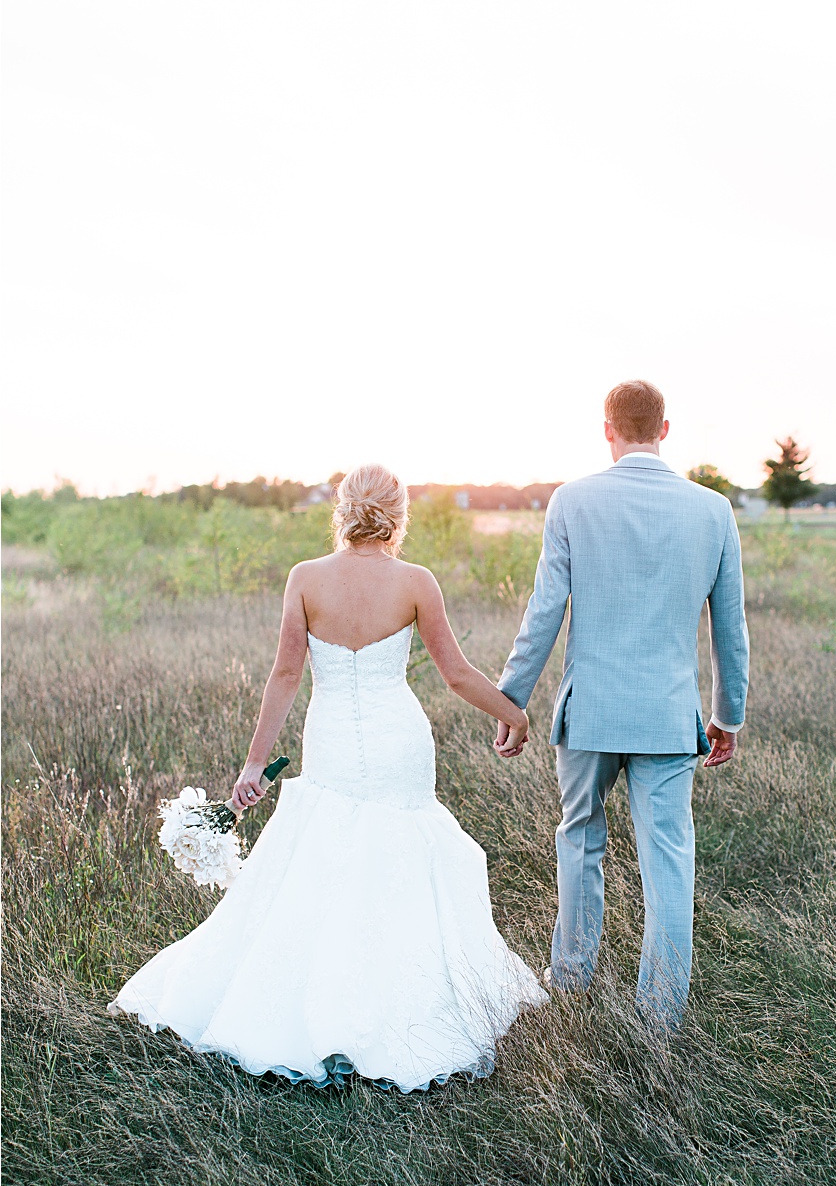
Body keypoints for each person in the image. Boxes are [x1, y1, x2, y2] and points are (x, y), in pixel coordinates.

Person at [110, 464, 546, 1092]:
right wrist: (514, 713)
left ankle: (316, 1003)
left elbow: (286, 676)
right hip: (400, 742)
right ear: (398, 515)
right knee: (396, 859)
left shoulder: (306, 579)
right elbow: (455, 675)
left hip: (334, 739)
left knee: (328, 857)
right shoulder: (416, 582)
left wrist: (254, 764)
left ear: (342, 510)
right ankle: (401, 1006)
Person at [494, 379, 749, 1025]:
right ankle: (660, 1010)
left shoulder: (572, 502)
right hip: (667, 716)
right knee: (669, 858)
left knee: (580, 838)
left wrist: (511, 700)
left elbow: (545, 608)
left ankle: (572, 976)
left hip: (592, 714)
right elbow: (730, 625)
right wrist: (728, 714)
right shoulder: (713, 510)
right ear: (664, 429)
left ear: (607, 428)